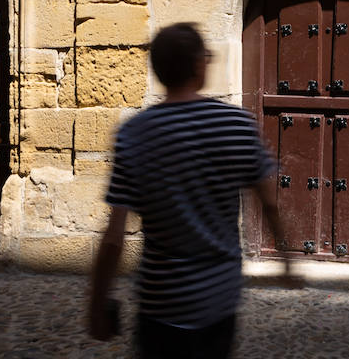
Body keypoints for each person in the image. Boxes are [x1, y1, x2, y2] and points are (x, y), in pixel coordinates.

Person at [88, 23, 293, 358]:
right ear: (199, 65)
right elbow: (269, 202)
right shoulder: (236, 124)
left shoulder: (136, 134)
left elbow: (114, 237)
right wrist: (286, 259)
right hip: (218, 298)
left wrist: (96, 303)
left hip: (162, 302)